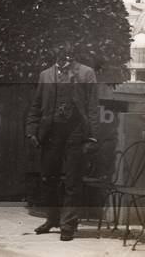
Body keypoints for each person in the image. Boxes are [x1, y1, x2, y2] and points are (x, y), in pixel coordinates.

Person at [26, 41, 100, 241]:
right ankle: (52, 219)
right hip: (51, 134)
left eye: (67, 57)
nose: (64, 61)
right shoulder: (46, 75)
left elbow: (93, 107)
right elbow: (37, 105)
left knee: (73, 181)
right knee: (49, 178)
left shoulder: (86, 74)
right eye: (60, 57)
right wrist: (32, 129)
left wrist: (92, 136)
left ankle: (68, 225)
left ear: (73, 56)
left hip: (76, 133)